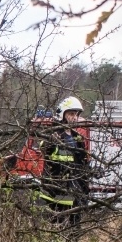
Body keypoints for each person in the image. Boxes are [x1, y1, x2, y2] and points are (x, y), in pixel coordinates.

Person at [38, 96, 90, 225]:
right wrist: (50, 143)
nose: (74, 117)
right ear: (63, 114)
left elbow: (81, 162)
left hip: (75, 190)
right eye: (71, 113)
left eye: (76, 114)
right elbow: (43, 149)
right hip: (57, 189)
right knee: (57, 224)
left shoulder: (77, 137)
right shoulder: (54, 135)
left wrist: (91, 171)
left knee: (75, 226)